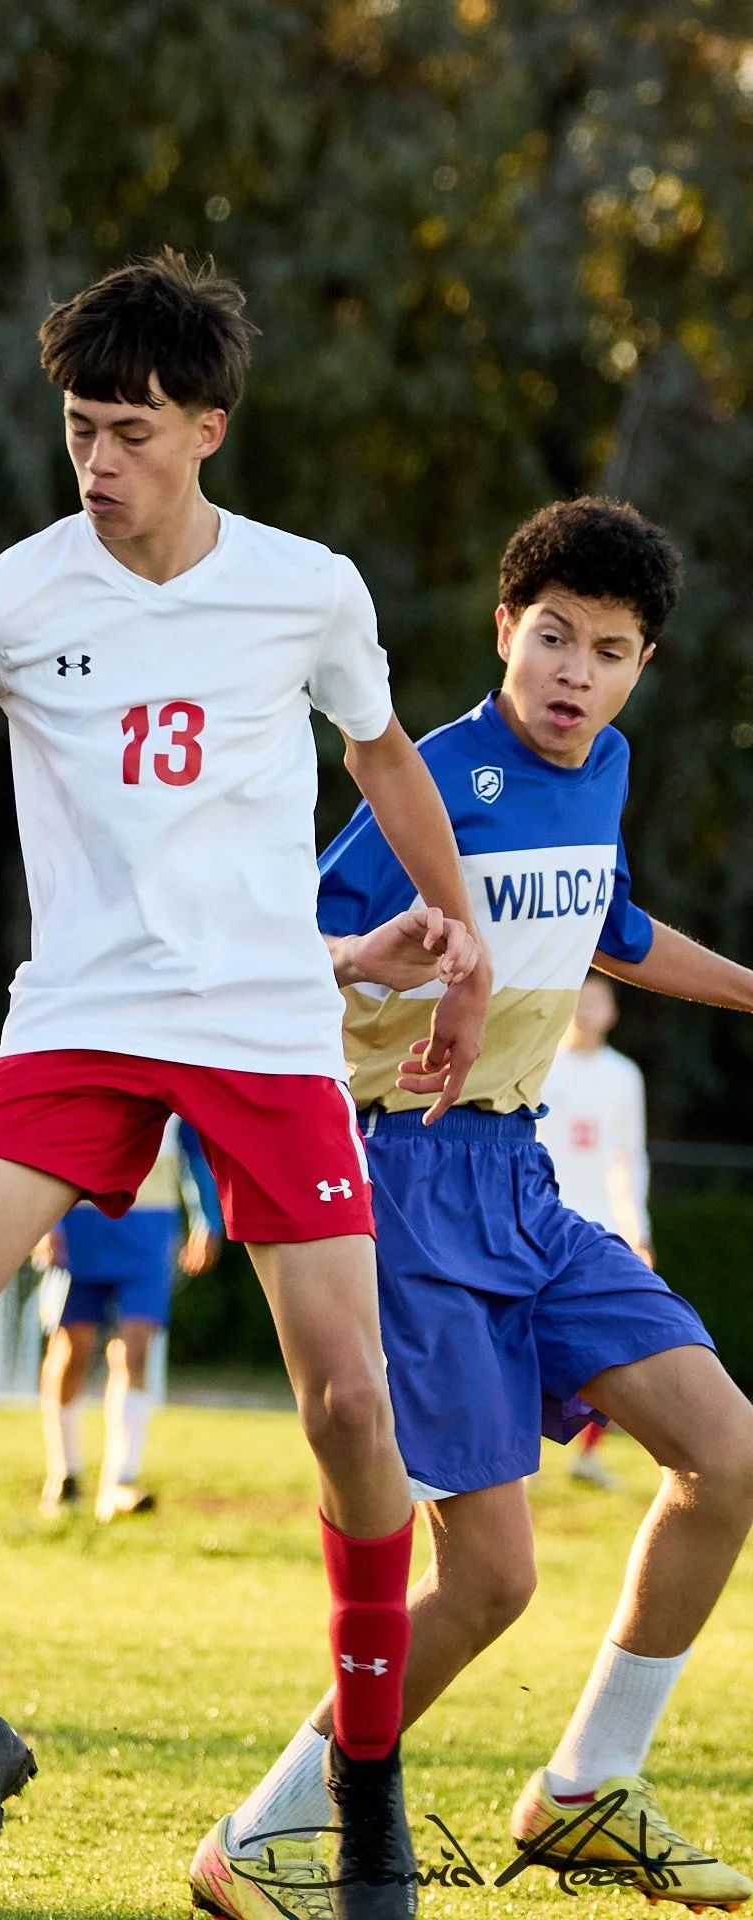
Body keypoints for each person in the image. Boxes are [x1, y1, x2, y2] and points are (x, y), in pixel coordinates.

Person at [0, 250, 490, 1904]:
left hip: (263, 1023)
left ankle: (367, 1777)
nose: (97, 461)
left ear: (207, 431)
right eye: (78, 429)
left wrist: (459, 934)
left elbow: (381, 752)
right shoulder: (9, 595)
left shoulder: (309, 589)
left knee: (350, 1403)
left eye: (130, 431)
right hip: (80, 1019)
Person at [193, 498, 753, 1920]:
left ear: (641, 668)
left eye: (610, 652)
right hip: (401, 1184)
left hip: (525, 1180)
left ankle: (587, 1789)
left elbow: (613, 929)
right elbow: (282, 948)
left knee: (729, 1454)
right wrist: (359, 963)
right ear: (506, 629)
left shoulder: (604, 767)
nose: (576, 673)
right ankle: (258, 1837)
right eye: (553, 637)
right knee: (493, 1580)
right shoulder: (429, 786)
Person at [37, 1117, 222, 1522]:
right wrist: (46, 1222)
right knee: (72, 1350)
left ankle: (121, 1481)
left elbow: (195, 1148)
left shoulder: (175, 1085)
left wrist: (207, 1217)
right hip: (79, 1222)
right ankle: (64, 1471)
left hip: (150, 1228)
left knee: (135, 1351)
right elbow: (46, 1140)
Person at [540, 973, 653, 1487]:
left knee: (609, 1343)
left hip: (603, 1227)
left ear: (614, 1012)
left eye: (598, 1000)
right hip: (542, 1219)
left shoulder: (624, 1075)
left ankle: (588, 1455)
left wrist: (637, 1228)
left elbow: (631, 1156)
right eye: (580, 999)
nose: (588, 1009)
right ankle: (520, 1458)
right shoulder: (542, 1063)